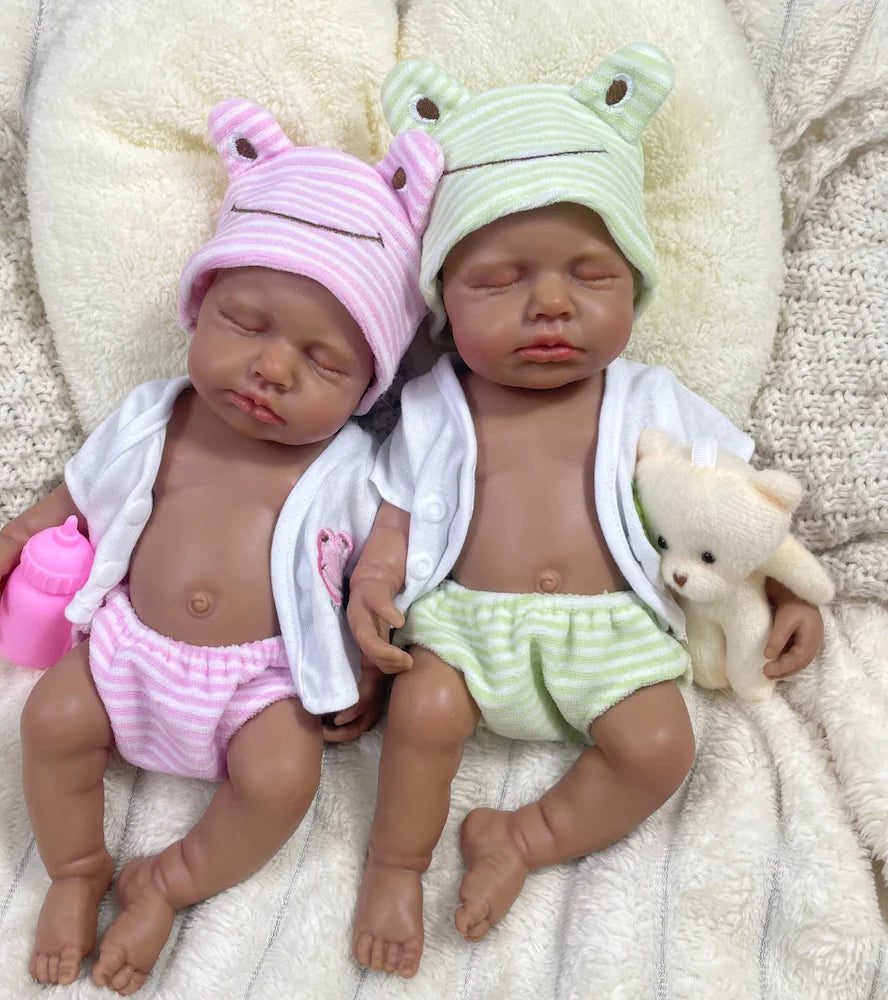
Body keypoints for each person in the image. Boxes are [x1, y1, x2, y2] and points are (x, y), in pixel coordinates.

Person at [346, 45, 826, 979]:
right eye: (501, 280)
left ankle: (522, 837)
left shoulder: (652, 399)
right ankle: (395, 868)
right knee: (423, 713)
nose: (551, 306)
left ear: (634, 285)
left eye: (592, 276)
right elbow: (395, 509)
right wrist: (373, 579)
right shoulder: (437, 403)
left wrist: (782, 588)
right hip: (467, 631)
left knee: (661, 747)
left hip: (613, 634)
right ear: (443, 298)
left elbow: (732, 506)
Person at [0, 98, 443, 995]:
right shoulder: (156, 417)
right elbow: (81, 492)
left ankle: (170, 884)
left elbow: (376, 576)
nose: (272, 368)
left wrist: (366, 669)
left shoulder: (354, 465)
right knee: (52, 721)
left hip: (260, 684)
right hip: (126, 652)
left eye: (322, 361)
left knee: (283, 779)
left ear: (367, 387)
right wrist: (15, 537)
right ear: (198, 309)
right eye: (246, 324)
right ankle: (75, 871)